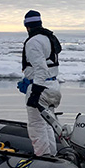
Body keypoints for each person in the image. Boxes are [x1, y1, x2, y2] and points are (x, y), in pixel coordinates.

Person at [20, 10, 62, 157]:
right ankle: (52, 155)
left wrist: (35, 91)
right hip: (53, 86)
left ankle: (43, 158)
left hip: (41, 88)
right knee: (48, 124)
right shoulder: (49, 38)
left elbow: (41, 69)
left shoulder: (33, 42)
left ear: (27, 26)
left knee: (36, 125)